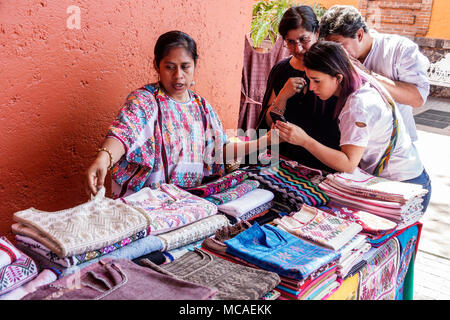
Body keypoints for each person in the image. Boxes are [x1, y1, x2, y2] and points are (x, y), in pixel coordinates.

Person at [86, 31, 270, 198]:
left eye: (185, 66)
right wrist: (103, 158)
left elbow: (220, 151)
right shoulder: (144, 101)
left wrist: (265, 142)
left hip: (190, 206)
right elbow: (124, 132)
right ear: (157, 66)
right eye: (170, 67)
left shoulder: (202, 108)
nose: (178, 75)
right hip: (150, 208)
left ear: (195, 65)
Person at [274, 41, 431, 211]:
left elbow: (348, 163)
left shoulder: (358, 105)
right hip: (403, 179)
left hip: (403, 185)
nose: (311, 87)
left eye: (317, 81)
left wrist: (304, 141)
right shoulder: (360, 80)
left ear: (338, 77)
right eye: (309, 79)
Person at [318, 5, 430, 144]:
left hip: (394, 147)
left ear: (359, 35)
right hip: (351, 141)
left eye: (339, 46)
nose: (335, 54)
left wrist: (366, 75)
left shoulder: (399, 49)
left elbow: (418, 98)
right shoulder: (336, 56)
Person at [256, 5, 341, 172]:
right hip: (285, 163)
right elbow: (268, 123)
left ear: (316, 33)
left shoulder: (334, 69)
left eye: (304, 40)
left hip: (324, 164)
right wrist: (282, 96)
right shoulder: (281, 70)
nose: (298, 49)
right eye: (290, 42)